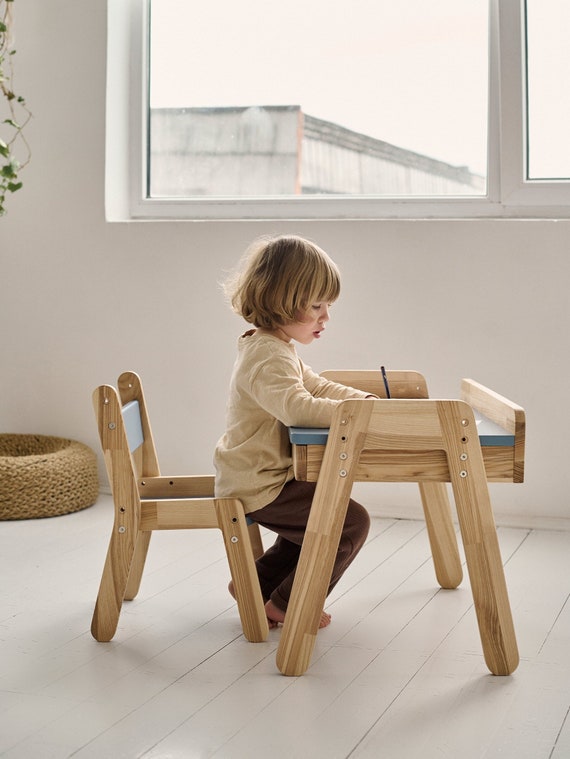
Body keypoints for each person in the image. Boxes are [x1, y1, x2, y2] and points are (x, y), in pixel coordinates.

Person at [214, 235, 373, 629]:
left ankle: (259, 583)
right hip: (258, 484)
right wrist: (356, 417)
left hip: (263, 477)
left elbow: (316, 387)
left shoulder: (276, 346)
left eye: (328, 306)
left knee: (325, 509)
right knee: (346, 523)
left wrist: (364, 403)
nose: (325, 317)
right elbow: (298, 406)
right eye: (316, 306)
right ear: (281, 300)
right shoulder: (267, 354)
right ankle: (288, 604)